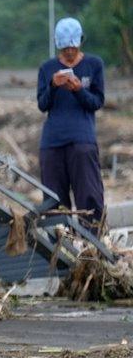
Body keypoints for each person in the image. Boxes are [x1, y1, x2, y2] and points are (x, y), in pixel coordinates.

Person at [36, 17, 106, 234]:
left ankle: (93, 242)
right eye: (65, 48)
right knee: (55, 199)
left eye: (73, 47)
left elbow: (96, 102)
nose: (69, 52)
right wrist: (54, 86)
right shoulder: (47, 68)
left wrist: (78, 89)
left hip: (82, 141)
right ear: (59, 45)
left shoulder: (94, 65)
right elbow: (42, 104)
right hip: (52, 143)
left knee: (89, 194)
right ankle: (61, 245)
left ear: (80, 42)